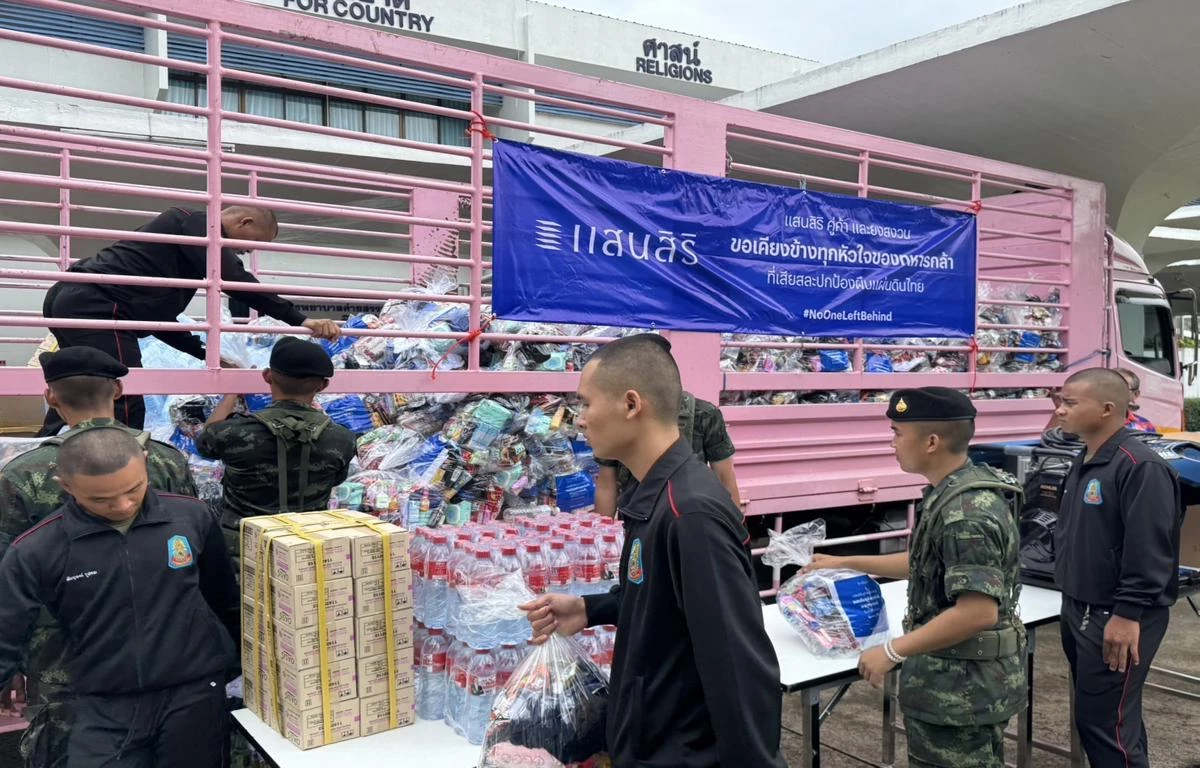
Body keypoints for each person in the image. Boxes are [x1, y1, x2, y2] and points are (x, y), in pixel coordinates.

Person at [520, 335, 786, 767]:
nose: (580, 420)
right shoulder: (655, 497)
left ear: (630, 404)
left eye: (586, 404)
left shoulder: (690, 513)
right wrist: (590, 609)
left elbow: (739, 670)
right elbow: (661, 604)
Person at [0, 347, 199, 768]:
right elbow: (189, 544)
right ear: (119, 390)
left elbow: (9, 582)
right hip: (166, 640)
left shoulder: (23, 474)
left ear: (51, 396)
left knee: (72, 747)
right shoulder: (165, 460)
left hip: (67, 652)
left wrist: (11, 662)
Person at [808, 387, 1025, 768]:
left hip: (961, 692)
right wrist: (848, 563)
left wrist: (892, 652)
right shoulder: (957, 489)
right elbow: (926, 563)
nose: (892, 443)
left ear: (931, 442)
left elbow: (977, 612)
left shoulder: (965, 512)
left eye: (897, 433)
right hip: (955, 683)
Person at [0, 428, 240, 768]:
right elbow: (6, 629)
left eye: (134, 490)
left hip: (194, 693)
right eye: (101, 499)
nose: (122, 505)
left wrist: (234, 663)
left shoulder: (191, 518)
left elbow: (223, 596)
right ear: (65, 485)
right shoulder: (37, 550)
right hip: (101, 700)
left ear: (144, 465)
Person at [40, 205, 342, 435]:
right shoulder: (195, 222)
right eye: (252, 243)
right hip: (98, 303)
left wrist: (207, 354)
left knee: (75, 386)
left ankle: (44, 445)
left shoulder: (181, 257)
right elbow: (235, 279)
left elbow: (163, 320)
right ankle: (127, 465)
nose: (247, 251)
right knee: (124, 392)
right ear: (244, 221)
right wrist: (300, 319)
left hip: (75, 298)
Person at [1053, 368, 1182, 768]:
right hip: (1080, 607)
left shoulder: (1138, 465)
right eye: (1059, 401)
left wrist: (1128, 613)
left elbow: (1149, 549)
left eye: (1070, 403)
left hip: (1116, 614)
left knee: (1105, 726)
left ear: (1107, 409)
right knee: (1110, 719)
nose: (1059, 410)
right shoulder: (1087, 456)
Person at [196, 336, 357, 567]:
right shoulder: (342, 439)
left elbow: (204, 442)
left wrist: (232, 392)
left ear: (267, 377)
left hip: (241, 553)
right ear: (322, 386)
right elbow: (337, 479)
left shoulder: (234, 432)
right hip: (305, 553)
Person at [593, 338, 740, 517]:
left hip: (685, 520)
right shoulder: (618, 414)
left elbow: (725, 479)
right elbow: (607, 484)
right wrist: (604, 535)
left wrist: (738, 532)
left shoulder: (704, 414)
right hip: (635, 519)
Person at [1116, 368, 1157, 432]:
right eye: (1106, 387)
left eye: (1121, 388)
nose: (1113, 392)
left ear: (1136, 394)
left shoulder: (1145, 426)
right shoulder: (1095, 423)